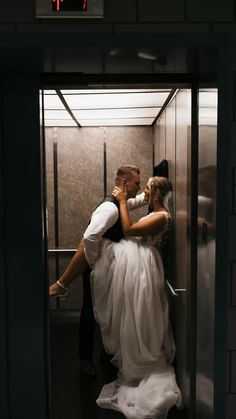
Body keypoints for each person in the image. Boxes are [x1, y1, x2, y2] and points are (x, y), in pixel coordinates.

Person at [91, 176, 181, 419]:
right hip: (140, 263)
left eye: (148, 188)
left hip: (144, 266)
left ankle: (142, 354)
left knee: (140, 312)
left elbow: (130, 229)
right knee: (136, 312)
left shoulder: (161, 216)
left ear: (158, 194)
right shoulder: (157, 212)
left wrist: (121, 200)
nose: (144, 192)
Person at [49, 165, 147, 374]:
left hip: (107, 267)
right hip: (98, 267)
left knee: (108, 310)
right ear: (124, 183)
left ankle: (106, 354)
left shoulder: (119, 203)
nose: (138, 186)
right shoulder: (110, 208)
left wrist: (148, 193)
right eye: (137, 183)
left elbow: (133, 202)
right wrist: (93, 262)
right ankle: (86, 359)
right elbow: (90, 237)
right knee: (91, 311)